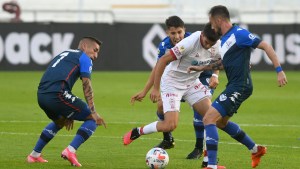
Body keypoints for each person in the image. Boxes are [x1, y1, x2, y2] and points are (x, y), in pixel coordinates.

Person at [187, 5, 288, 169]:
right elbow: (223, 63)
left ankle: (211, 165)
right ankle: (255, 149)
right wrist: (201, 68)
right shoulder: (225, 39)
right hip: (235, 85)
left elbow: (266, 46)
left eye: (212, 23)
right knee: (220, 123)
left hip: (240, 86)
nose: (211, 27)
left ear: (219, 20)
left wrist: (279, 70)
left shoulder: (239, 34)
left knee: (208, 119)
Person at [124, 22, 225, 169]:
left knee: (211, 117)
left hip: (192, 82)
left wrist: (218, 74)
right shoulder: (189, 42)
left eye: (211, 44)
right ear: (202, 35)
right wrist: (155, 89)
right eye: (206, 42)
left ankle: (208, 162)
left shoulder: (216, 43)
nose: (208, 46)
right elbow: (163, 61)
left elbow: (220, 61)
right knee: (170, 124)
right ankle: (137, 131)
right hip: (172, 82)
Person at [26, 36, 106, 167]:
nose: (96, 55)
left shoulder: (65, 53)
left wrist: (66, 111)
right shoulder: (84, 58)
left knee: (60, 121)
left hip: (41, 95)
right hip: (57, 94)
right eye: (95, 50)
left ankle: (34, 155)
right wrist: (93, 111)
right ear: (85, 47)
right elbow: (87, 85)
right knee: (92, 119)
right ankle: (70, 150)